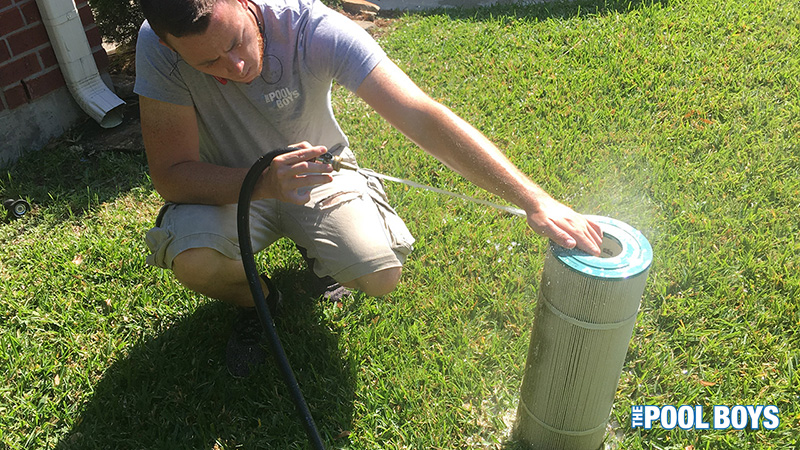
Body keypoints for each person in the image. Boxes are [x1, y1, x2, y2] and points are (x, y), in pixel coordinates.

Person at [135, 0, 603, 377]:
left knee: (380, 277)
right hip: (231, 188)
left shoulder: (310, 27)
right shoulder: (157, 48)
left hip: (321, 176)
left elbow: (420, 114)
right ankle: (259, 300)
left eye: (236, 41)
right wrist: (262, 182)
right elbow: (171, 174)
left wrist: (533, 198)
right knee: (195, 263)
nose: (236, 65)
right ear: (172, 48)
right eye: (209, 62)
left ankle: (322, 259)